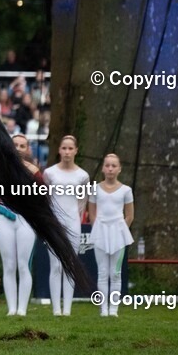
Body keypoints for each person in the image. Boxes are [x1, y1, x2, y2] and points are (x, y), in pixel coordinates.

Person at [43, 134, 90, 316]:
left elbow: (82, 202)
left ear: (76, 151)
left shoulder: (82, 175)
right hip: (55, 223)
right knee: (55, 265)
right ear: (59, 150)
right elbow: (45, 199)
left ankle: (67, 310)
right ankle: (56, 309)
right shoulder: (50, 173)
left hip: (73, 223)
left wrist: (76, 218)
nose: (67, 152)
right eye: (64, 148)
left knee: (70, 264)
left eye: (71, 148)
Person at [0, 134, 41, 316]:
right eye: (16, 145)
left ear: (27, 149)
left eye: (23, 145)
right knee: (8, 265)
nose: (19, 148)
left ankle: (22, 308)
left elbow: (41, 197)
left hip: (25, 220)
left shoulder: (34, 171)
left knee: (23, 264)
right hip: (5, 217)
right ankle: (11, 307)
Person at [88, 153, 134, 317]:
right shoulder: (95, 189)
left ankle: (113, 309)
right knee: (102, 272)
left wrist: (121, 231)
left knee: (115, 273)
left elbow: (129, 215)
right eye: (107, 165)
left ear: (119, 169)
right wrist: (98, 228)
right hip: (101, 232)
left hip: (118, 234)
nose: (110, 169)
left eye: (114, 166)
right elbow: (92, 212)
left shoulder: (126, 190)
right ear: (103, 168)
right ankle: (103, 308)